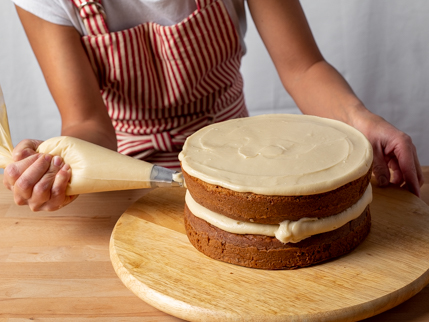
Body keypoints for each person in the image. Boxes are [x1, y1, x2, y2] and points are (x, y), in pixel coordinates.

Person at [3, 0, 424, 211]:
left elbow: (303, 67)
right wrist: (58, 164)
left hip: (243, 165)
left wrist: (359, 119)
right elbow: (88, 122)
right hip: (126, 178)